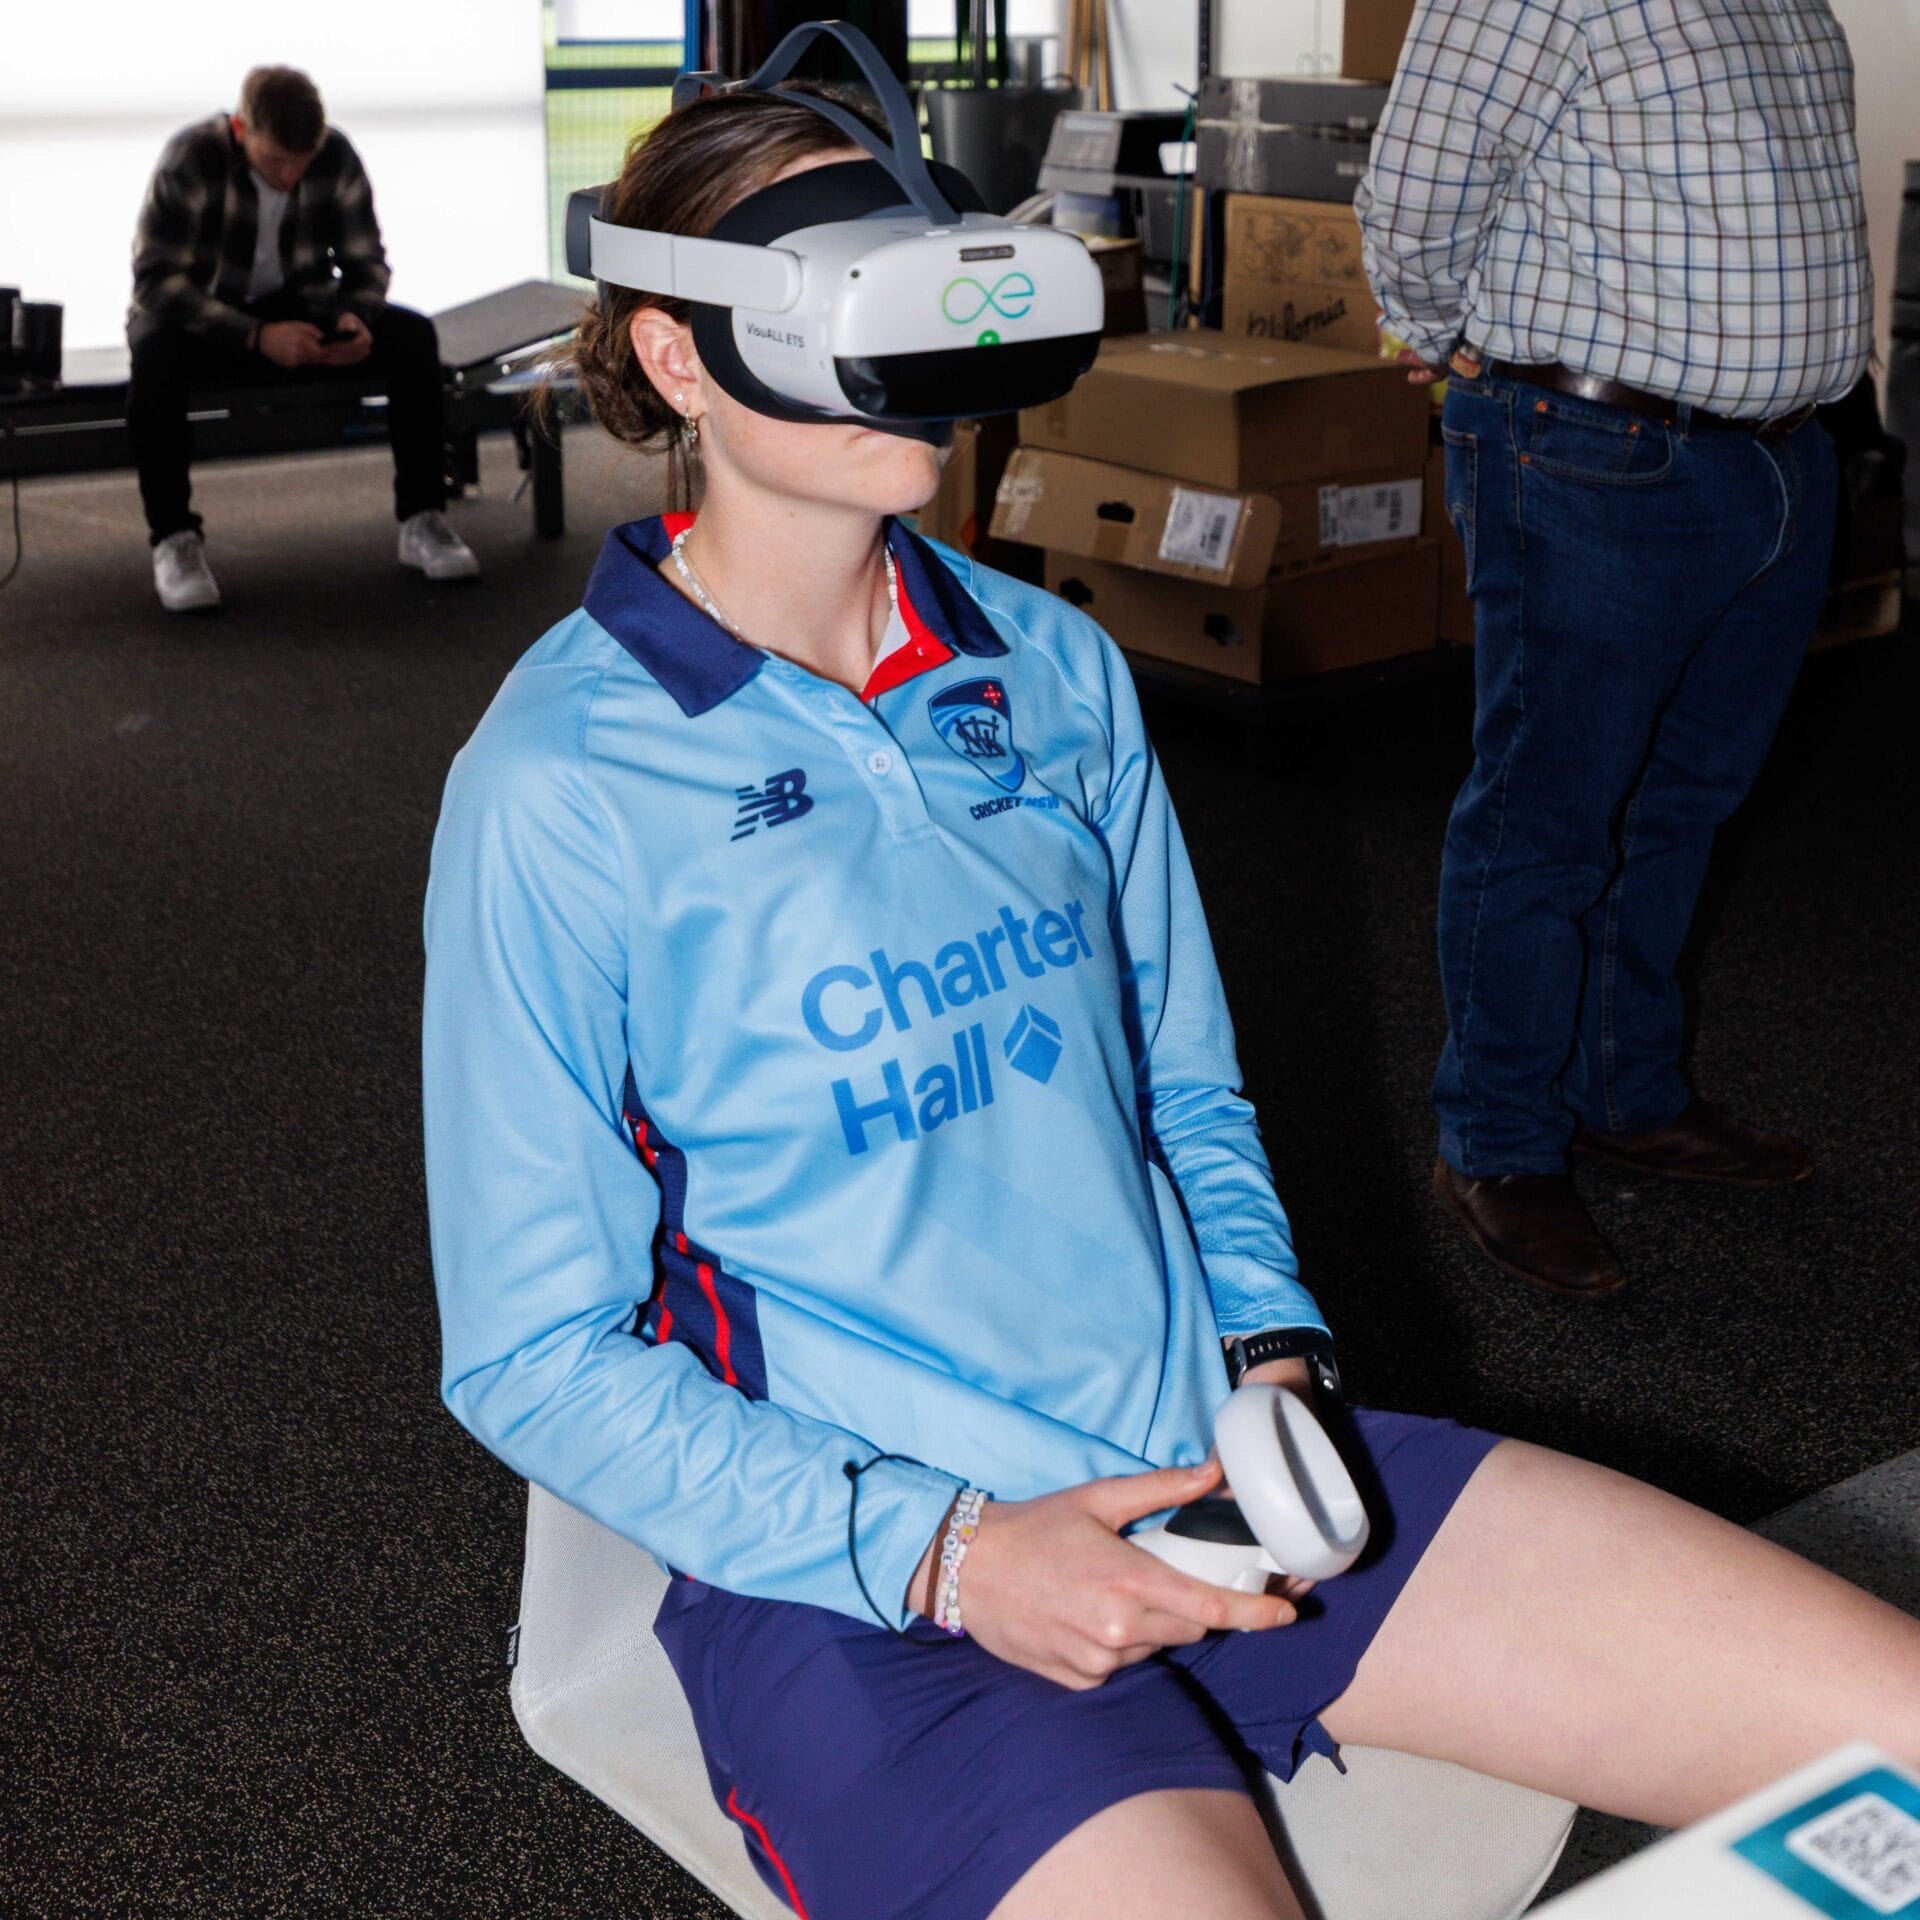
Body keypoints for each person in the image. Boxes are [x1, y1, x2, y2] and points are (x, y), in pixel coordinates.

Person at [422, 87, 1920, 1920]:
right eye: (846, 292)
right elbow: (531, 1350)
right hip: (880, 1590)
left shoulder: (1045, 665)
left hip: (1210, 1465)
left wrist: (1271, 1361)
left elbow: (1183, 1101)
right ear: (680, 347)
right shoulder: (561, 782)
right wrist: (952, 1557)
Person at [1356, 0, 1869, 1296]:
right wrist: (1436, 331)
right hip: (1596, 453)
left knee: (1681, 807)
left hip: (1782, 462)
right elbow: (1417, 185)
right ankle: (1496, 1141)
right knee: (1549, 818)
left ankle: (1624, 1092)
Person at [127, 65, 479, 613]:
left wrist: (354, 319)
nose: (289, 175)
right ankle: (174, 539)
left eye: (301, 163)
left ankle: (422, 519)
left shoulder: (335, 155)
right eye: (274, 162)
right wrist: (255, 336)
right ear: (242, 132)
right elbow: (156, 283)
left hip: (303, 308)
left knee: (412, 336)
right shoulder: (192, 159)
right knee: (153, 352)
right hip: (208, 317)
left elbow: (367, 266)